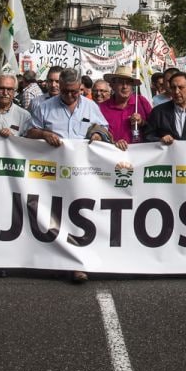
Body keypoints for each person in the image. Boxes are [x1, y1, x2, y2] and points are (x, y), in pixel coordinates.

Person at [27, 68, 116, 283]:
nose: (70, 96)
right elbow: (29, 132)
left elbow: (105, 130)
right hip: (52, 174)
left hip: (82, 174)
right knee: (55, 216)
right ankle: (55, 261)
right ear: (59, 88)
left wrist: (97, 134)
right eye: (66, 92)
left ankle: (79, 264)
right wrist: (44, 134)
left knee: (80, 216)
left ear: (81, 89)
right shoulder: (44, 107)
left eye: (75, 92)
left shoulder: (91, 106)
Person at [99, 65, 152, 145]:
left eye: (128, 82)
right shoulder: (102, 108)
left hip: (140, 154)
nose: (125, 86)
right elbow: (98, 133)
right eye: (120, 82)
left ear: (132, 86)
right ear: (112, 85)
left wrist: (142, 122)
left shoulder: (141, 102)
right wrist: (114, 143)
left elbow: (155, 127)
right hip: (112, 154)